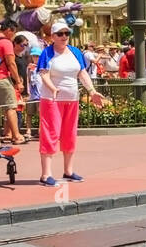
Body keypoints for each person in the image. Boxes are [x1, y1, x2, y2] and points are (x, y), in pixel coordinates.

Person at [36, 20, 107, 186]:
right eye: (60, 34)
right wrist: (53, 88)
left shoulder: (75, 52)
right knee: (51, 133)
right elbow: (44, 74)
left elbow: (82, 73)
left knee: (69, 134)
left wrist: (92, 91)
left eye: (67, 33)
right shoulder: (47, 53)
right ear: (52, 36)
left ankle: (68, 171)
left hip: (72, 99)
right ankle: (46, 174)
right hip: (52, 100)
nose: (64, 37)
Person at [0, 19, 25, 146]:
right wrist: (18, 81)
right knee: (11, 107)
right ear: (9, 30)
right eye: (13, 32)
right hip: (2, 78)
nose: (13, 36)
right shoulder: (5, 42)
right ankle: (16, 135)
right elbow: (11, 63)